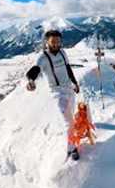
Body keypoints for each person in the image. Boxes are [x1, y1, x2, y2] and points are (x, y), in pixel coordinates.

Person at [25, 29, 81, 160]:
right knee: (69, 122)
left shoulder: (63, 53)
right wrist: (31, 81)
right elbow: (34, 71)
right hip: (57, 93)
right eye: (52, 42)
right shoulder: (42, 58)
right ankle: (71, 149)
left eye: (58, 41)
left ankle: (71, 138)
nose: (55, 44)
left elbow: (68, 69)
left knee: (71, 118)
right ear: (46, 42)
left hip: (69, 90)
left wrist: (75, 83)